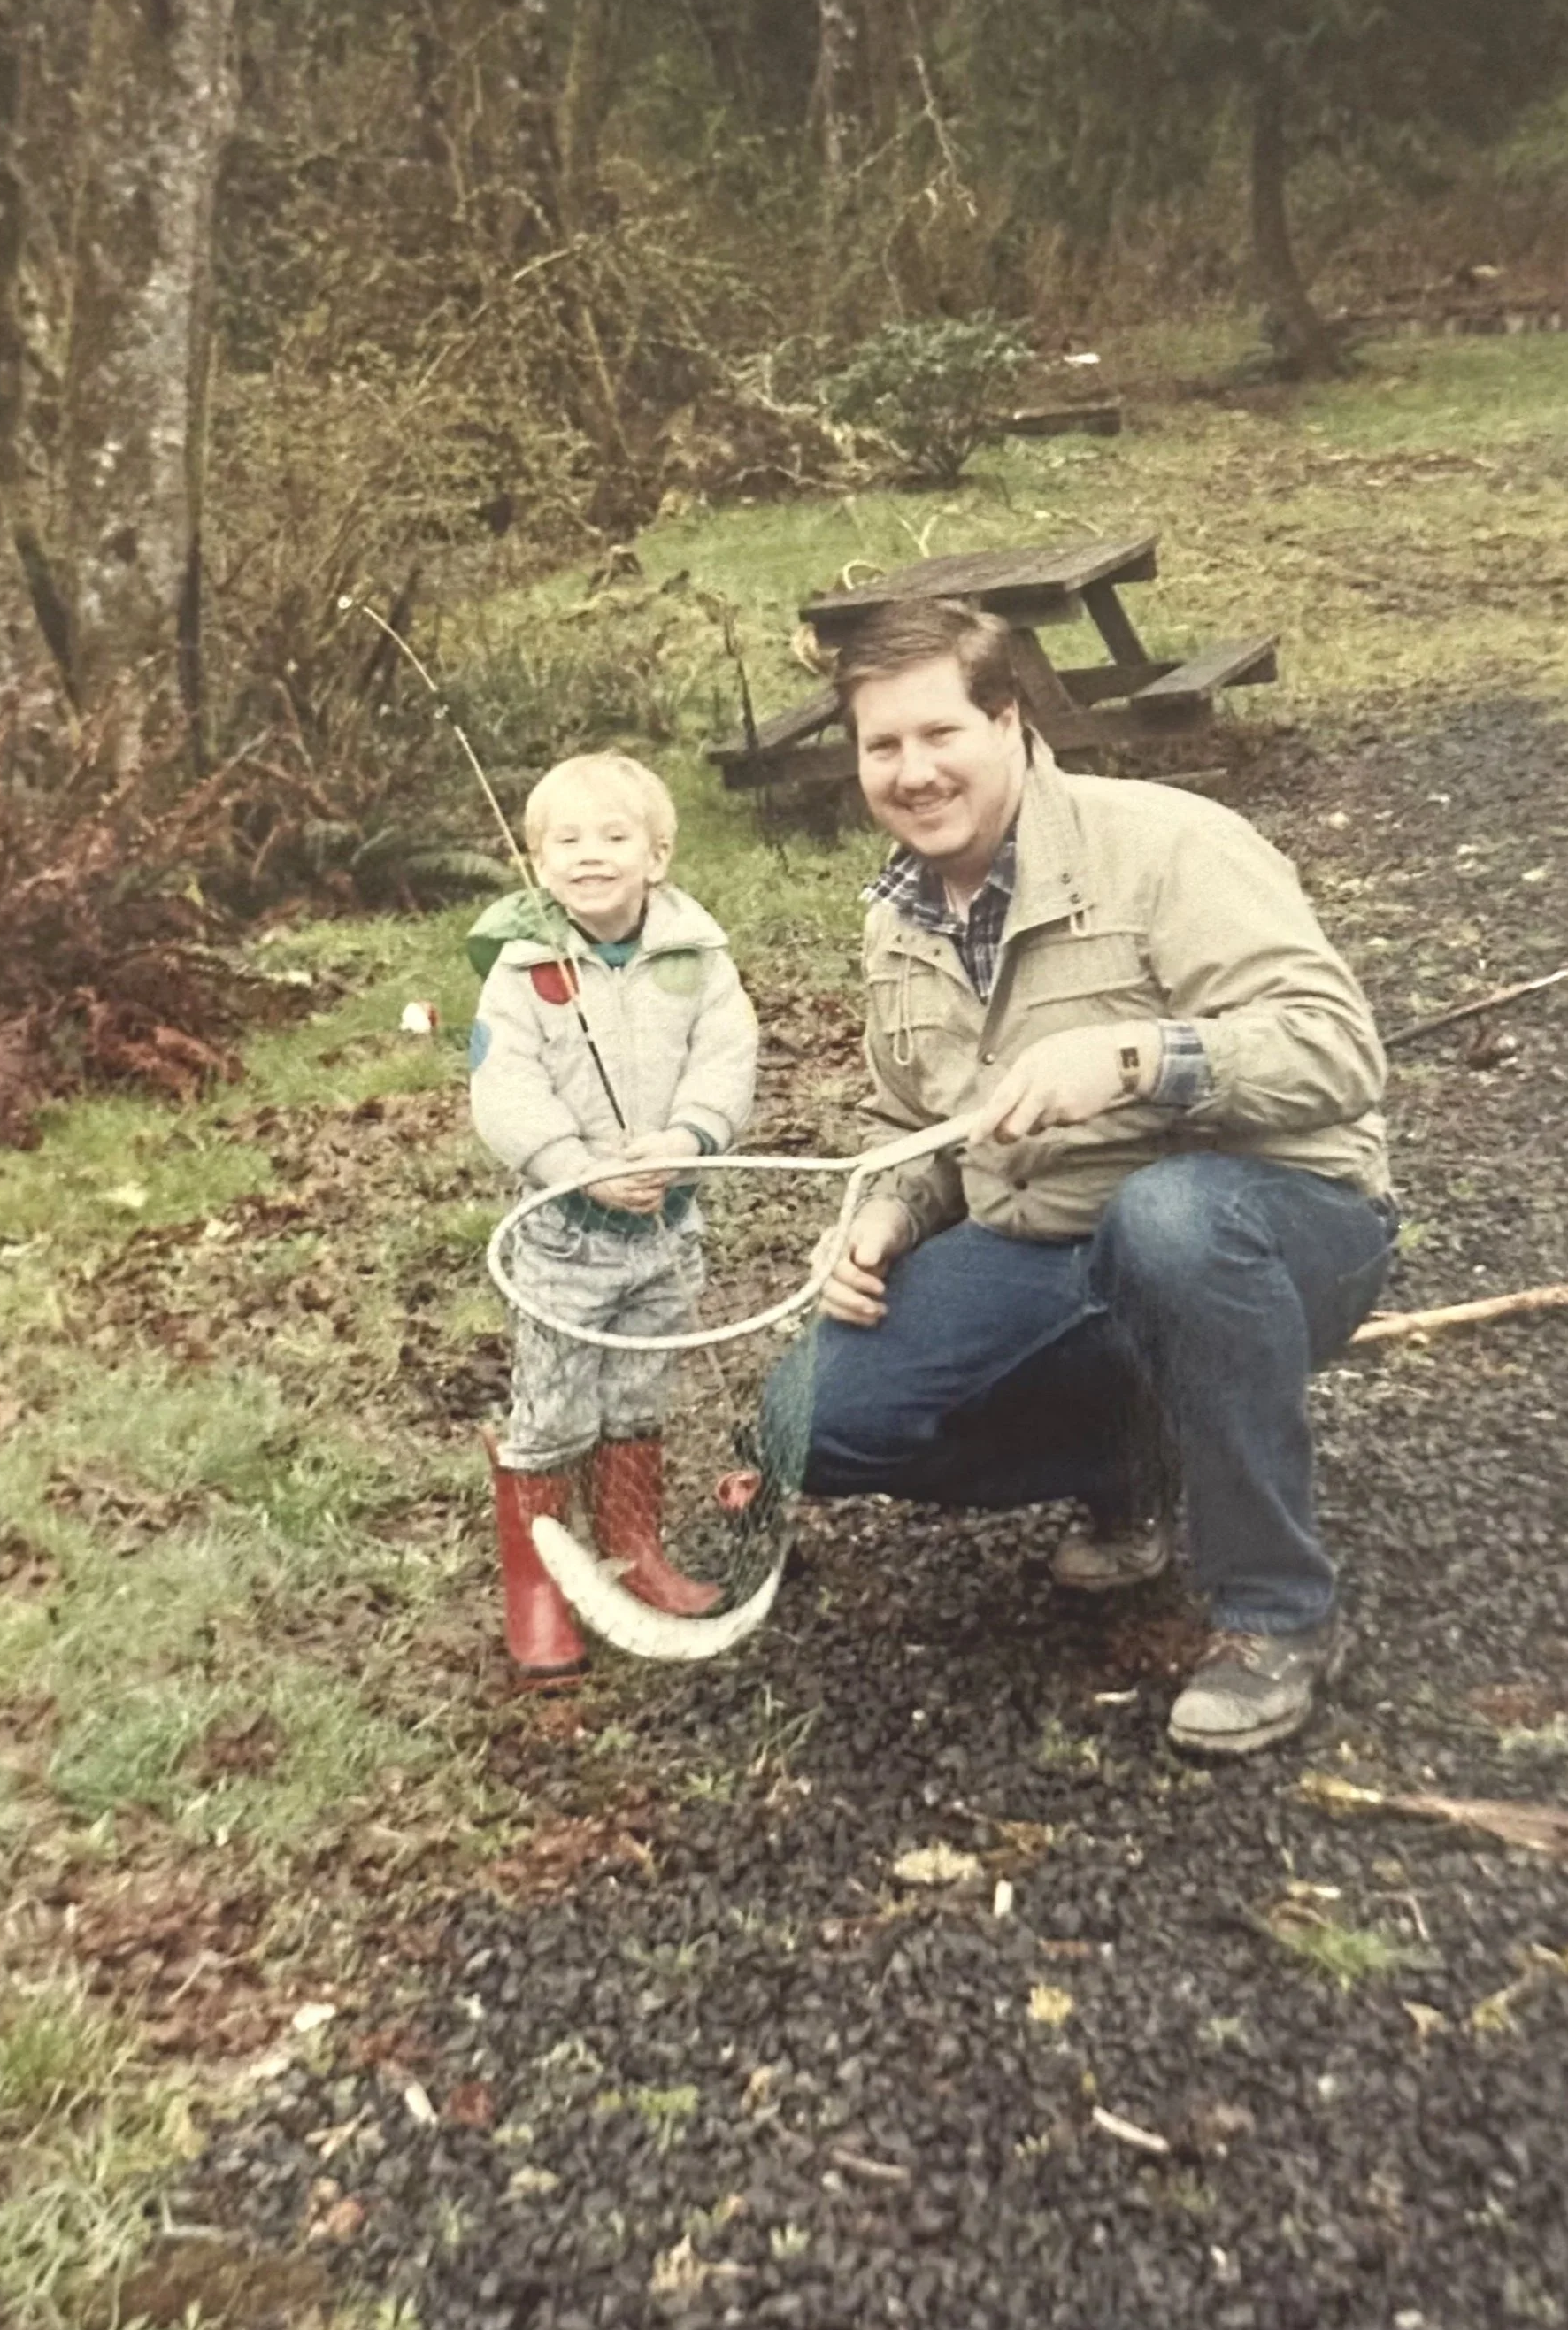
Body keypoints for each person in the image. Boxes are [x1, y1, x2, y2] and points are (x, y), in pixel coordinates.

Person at [801, 599, 1397, 1755]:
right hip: (1055, 1240)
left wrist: (1140, 1058)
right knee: (809, 1418)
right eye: (884, 746)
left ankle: (1276, 1610)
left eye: (941, 734)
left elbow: (1337, 1050)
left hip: (1279, 1222)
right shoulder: (896, 916)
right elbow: (917, 1122)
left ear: (1010, 721)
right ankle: (1138, 1448)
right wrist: (885, 1211)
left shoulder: (1169, 842)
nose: (915, 772)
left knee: (1167, 1220)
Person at [469, 751, 759, 1679]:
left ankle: (634, 1557)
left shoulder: (698, 960)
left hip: (667, 1235)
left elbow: (728, 1057)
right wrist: (573, 1168)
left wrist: (688, 1138)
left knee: (638, 1395)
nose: (589, 856)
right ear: (536, 861)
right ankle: (540, 1589)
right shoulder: (520, 970)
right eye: (566, 841)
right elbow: (502, 1087)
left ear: (657, 856)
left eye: (613, 837)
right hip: (564, 1235)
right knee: (552, 1409)